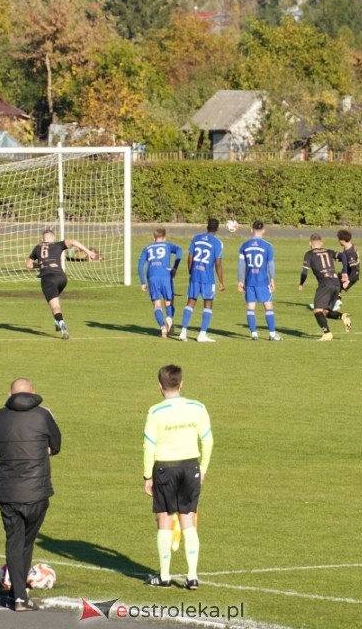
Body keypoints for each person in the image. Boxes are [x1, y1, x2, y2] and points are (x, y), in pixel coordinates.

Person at [0, 377, 62, 612]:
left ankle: (17, 595)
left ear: (8, 393)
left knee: (14, 541)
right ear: (33, 393)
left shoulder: (0, 417)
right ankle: (20, 595)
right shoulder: (43, 415)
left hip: (8, 491)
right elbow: (57, 445)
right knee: (26, 543)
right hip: (36, 491)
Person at [142, 364, 212, 590]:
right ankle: (192, 576)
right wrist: (203, 468)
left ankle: (164, 576)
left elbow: (148, 446)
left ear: (159, 387)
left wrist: (146, 476)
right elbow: (208, 440)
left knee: (164, 520)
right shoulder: (198, 407)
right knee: (188, 519)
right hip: (191, 466)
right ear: (181, 384)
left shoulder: (155, 412)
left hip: (164, 468)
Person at [26, 229, 97, 339]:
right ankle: (57, 321)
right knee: (55, 299)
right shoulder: (58, 245)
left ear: (42, 239)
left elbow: (29, 265)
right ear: (54, 238)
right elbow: (73, 241)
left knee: (55, 306)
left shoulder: (37, 247)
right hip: (61, 278)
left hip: (48, 279)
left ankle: (61, 323)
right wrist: (88, 252)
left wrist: (40, 265)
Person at [177, 219, 225, 343]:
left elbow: (190, 256)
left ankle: (183, 332)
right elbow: (218, 263)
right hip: (207, 278)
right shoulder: (217, 243)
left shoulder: (196, 238)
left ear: (207, 227)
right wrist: (221, 281)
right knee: (208, 303)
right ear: (217, 229)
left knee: (190, 302)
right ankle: (202, 334)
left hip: (195, 275)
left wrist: (191, 271)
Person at [298, 233, 351, 341]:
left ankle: (327, 333)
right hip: (336, 283)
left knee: (317, 310)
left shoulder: (309, 254)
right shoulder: (329, 251)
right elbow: (343, 256)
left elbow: (304, 272)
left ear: (310, 244)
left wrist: (301, 283)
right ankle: (342, 316)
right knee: (325, 311)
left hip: (325, 283)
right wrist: (345, 272)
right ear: (322, 243)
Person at [237, 221, 281, 341]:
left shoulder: (244, 245)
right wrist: (272, 279)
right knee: (268, 306)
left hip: (250, 281)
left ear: (252, 230)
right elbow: (270, 265)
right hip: (262, 281)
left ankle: (254, 334)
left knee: (251, 307)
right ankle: (272, 334)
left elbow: (241, 265)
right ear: (264, 230)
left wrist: (240, 281)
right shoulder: (267, 246)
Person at [137, 228, 183, 338]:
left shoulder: (147, 248)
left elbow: (140, 265)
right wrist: (175, 267)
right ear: (165, 237)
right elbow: (179, 250)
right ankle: (170, 319)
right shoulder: (167, 245)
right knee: (169, 303)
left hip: (152, 277)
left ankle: (163, 328)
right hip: (166, 276)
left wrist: (143, 282)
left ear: (154, 238)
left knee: (157, 305)